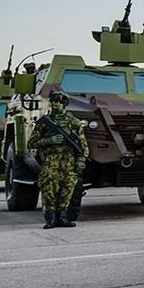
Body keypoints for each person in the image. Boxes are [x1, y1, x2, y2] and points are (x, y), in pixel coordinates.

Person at [30, 90, 86, 229]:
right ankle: (50, 219)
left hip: (69, 161)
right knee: (48, 189)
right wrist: (49, 140)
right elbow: (31, 143)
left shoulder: (74, 122)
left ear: (64, 104)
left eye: (59, 102)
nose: (56, 104)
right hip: (51, 160)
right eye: (54, 101)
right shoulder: (44, 122)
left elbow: (82, 144)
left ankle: (62, 217)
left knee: (67, 189)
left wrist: (81, 160)